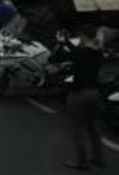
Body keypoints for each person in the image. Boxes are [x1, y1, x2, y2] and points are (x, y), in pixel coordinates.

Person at [52, 26, 105, 170]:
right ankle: (98, 158)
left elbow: (56, 58)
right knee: (93, 127)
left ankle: (82, 161)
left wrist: (63, 41)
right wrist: (68, 42)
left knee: (78, 129)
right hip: (95, 93)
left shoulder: (80, 52)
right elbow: (79, 50)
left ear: (83, 37)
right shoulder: (99, 52)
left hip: (79, 93)